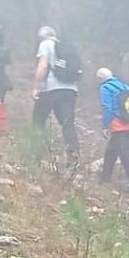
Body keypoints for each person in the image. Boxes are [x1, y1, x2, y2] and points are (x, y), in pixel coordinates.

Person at [33, 25, 82, 174]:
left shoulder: (45, 44)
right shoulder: (67, 47)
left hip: (51, 89)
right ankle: (73, 158)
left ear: (42, 37)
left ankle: (37, 155)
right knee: (67, 124)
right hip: (70, 90)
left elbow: (42, 66)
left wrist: (36, 86)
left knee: (38, 121)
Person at [96, 67, 129, 194]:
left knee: (125, 155)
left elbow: (107, 107)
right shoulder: (126, 86)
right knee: (111, 150)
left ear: (100, 79)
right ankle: (105, 177)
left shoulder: (105, 87)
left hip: (119, 126)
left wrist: (106, 126)